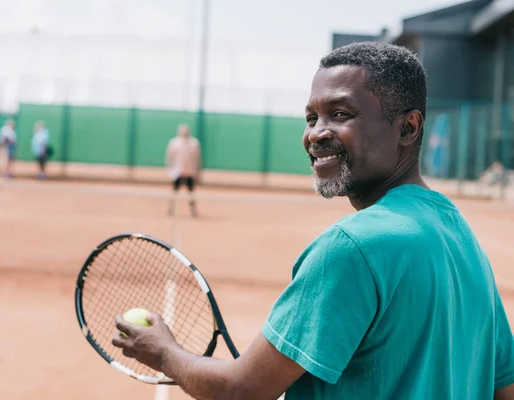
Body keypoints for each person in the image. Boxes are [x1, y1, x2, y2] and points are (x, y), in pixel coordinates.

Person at [111, 42, 514, 399]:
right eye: (311, 118)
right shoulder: (463, 240)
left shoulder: (353, 247)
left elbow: (243, 389)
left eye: (340, 113)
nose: (316, 134)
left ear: (408, 128)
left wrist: (164, 352)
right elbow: (504, 389)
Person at [165, 123, 202, 217]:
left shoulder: (194, 143)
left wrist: (197, 171)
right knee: (174, 191)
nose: (184, 133)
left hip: (190, 172)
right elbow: (169, 157)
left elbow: (197, 159)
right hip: (178, 172)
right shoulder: (174, 142)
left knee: (191, 192)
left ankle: (193, 210)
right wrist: (169, 169)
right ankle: (171, 208)